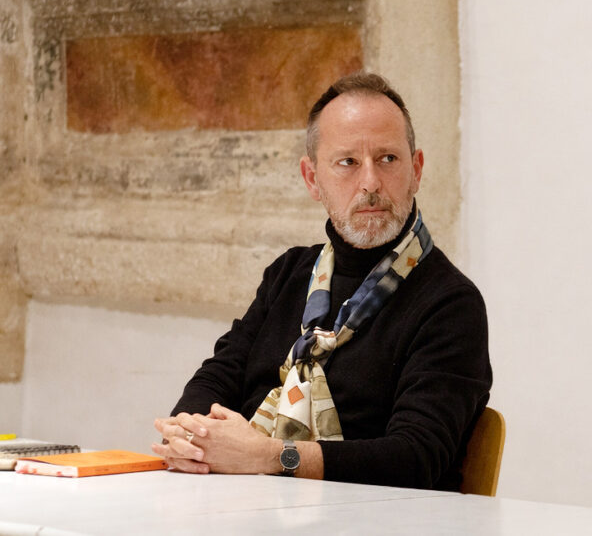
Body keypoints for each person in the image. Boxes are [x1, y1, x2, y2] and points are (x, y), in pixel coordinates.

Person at [152, 71, 491, 490]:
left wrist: (270, 457)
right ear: (313, 178)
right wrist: (193, 434)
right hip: (246, 510)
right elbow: (220, 375)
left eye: (387, 159)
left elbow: (416, 458)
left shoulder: (450, 303)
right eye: (348, 162)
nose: (370, 183)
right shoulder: (289, 273)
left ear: (416, 169)